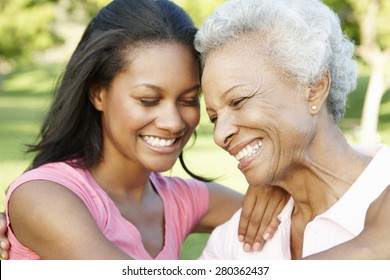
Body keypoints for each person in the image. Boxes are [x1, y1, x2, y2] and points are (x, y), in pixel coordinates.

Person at [3, 0, 288, 260]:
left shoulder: (179, 200)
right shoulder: (42, 196)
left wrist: (274, 184)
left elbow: (295, 216)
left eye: (188, 100)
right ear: (98, 94)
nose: (173, 122)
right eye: (148, 100)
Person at [195, 0, 390, 259]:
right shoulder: (236, 239)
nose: (220, 135)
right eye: (214, 117)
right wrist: (368, 251)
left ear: (314, 87)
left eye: (238, 101)